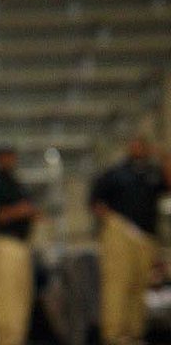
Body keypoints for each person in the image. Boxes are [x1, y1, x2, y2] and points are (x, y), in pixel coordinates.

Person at [90, 133, 171, 345]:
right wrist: (112, 224)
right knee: (117, 285)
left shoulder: (152, 174)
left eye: (141, 145)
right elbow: (96, 201)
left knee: (139, 285)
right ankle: (115, 335)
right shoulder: (116, 173)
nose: (138, 148)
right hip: (121, 233)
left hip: (145, 237)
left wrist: (162, 155)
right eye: (134, 144)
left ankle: (134, 334)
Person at [0, 146, 39, 345]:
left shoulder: (16, 184)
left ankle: (16, 339)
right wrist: (20, 211)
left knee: (21, 298)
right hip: (4, 245)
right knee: (6, 299)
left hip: (22, 245)